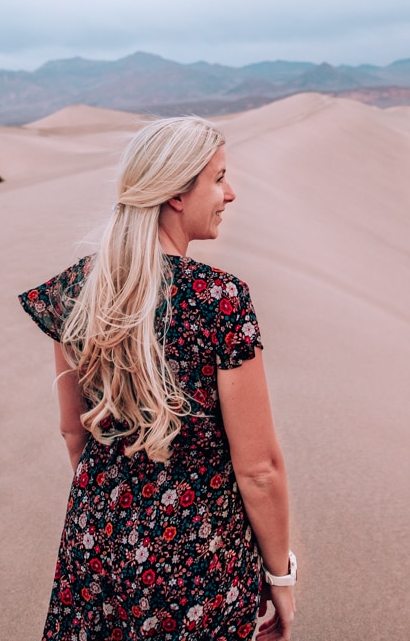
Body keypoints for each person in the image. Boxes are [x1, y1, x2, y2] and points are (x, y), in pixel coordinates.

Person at [18, 116, 296, 641]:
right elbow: (259, 469)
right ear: (175, 194)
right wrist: (281, 574)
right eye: (218, 178)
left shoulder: (77, 290)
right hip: (198, 561)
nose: (230, 193)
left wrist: (117, 507)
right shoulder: (220, 301)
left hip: (96, 545)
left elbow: (73, 431)